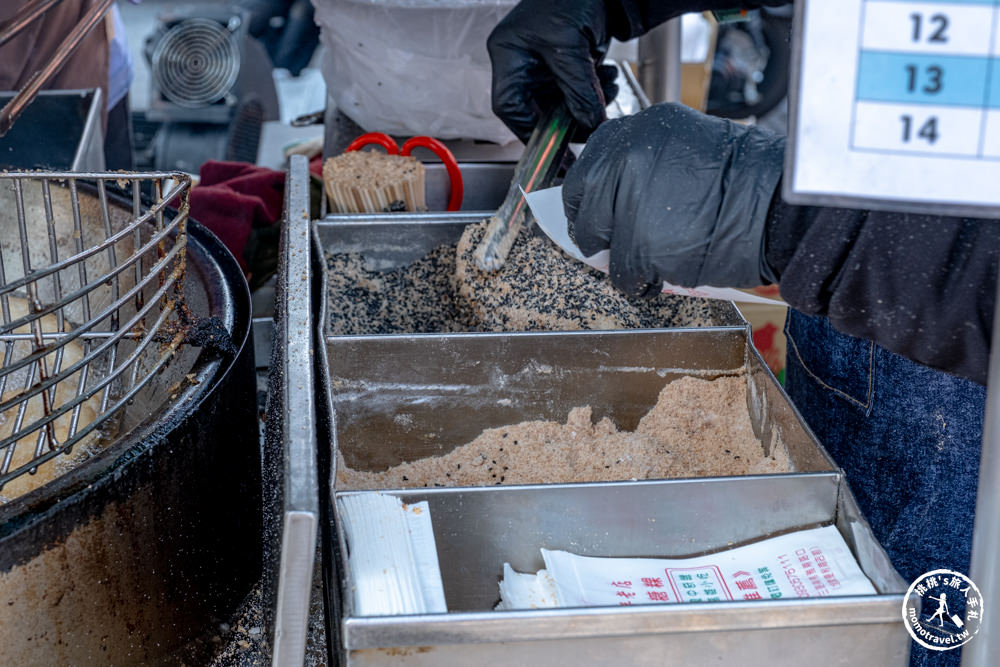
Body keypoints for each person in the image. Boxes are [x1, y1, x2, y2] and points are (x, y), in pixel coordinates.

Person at [488, 2, 997, 666]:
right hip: (852, 260)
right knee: (837, 597)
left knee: (921, 628)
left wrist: (809, 223)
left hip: (960, 359)